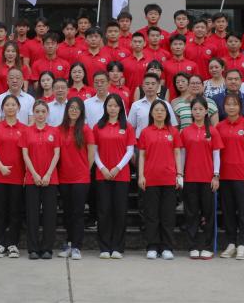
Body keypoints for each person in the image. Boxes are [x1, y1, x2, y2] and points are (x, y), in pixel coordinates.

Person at [137, 99, 181, 260]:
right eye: (156, 110)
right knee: (151, 215)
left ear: (167, 113)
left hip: (169, 178)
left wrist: (179, 174)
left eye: (162, 110)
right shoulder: (145, 132)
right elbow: (142, 155)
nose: (159, 112)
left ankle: (167, 247)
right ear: (151, 113)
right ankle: (152, 246)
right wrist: (141, 175)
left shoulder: (173, 131)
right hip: (151, 178)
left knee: (168, 215)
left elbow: (177, 153)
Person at [93, 93, 135, 259]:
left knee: (120, 211)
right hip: (102, 174)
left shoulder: (127, 126)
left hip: (121, 175)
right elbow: (94, 150)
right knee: (104, 211)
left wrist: (118, 167)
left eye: (115, 106)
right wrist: (102, 168)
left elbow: (130, 150)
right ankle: (104, 247)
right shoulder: (98, 126)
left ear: (120, 108)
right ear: (105, 107)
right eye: (109, 105)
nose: (112, 108)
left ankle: (117, 247)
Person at [179, 95, 221, 259]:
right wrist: (180, 174)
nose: (197, 112)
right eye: (194, 109)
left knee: (208, 214)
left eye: (200, 109)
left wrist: (216, 175)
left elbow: (216, 155)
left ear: (206, 111)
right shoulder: (185, 131)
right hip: (190, 178)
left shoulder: (213, 131)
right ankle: (193, 246)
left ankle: (207, 246)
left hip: (208, 179)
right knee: (191, 214)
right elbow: (182, 154)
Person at [216, 91, 244, 260]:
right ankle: (231, 243)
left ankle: (243, 245)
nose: (231, 107)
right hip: (224, 175)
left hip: (242, 175)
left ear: (240, 107)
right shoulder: (219, 126)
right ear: (223, 107)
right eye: (228, 104)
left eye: (234, 104)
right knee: (228, 211)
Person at [20, 100, 60, 260]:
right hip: (32, 178)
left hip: (51, 178)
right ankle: (33, 249)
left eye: (43, 111)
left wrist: (48, 174)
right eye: (37, 111)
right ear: (33, 113)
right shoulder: (26, 131)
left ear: (47, 113)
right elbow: (25, 155)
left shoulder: (54, 131)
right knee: (32, 215)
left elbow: (57, 154)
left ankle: (47, 248)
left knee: (50, 215)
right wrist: (35, 174)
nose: (40, 114)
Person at [57, 97, 94, 260]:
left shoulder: (85, 129)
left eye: (77, 108)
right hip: (64, 177)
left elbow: (91, 153)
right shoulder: (59, 130)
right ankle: (69, 243)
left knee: (78, 213)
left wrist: (85, 170)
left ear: (81, 112)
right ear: (67, 110)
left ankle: (77, 247)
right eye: (71, 107)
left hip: (80, 178)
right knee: (67, 213)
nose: (73, 110)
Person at [0, 95, 26, 258]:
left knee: (15, 212)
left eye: (13, 105)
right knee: (0, 211)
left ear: (18, 108)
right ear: (2, 108)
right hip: (0, 176)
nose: (10, 107)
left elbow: (26, 153)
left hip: (18, 176)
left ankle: (13, 244)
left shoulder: (24, 129)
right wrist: (1, 167)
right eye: (7, 105)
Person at [128, 72, 179, 138]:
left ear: (158, 86)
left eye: (153, 84)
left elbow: (173, 125)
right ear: (143, 86)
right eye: (147, 84)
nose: (150, 86)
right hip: (140, 141)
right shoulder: (136, 105)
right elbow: (130, 127)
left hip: (161, 140)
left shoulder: (166, 104)